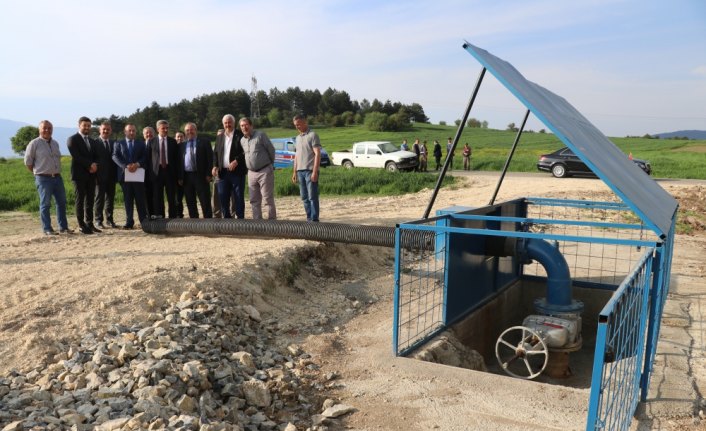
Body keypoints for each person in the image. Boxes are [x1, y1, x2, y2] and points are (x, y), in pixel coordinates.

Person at [24, 120, 72, 235]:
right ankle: (47, 229)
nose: (47, 130)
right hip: (43, 179)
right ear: (39, 129)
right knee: (45, 204)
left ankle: (63, 227)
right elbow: (28, 162)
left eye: (49, 128)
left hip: (57, 177)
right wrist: (38, 173)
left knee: (61, 202)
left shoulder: (55, 143)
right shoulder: (34, 143)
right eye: (44, 128)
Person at [67, 116, 100, 234]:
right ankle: (81, 225)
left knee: (90, 200)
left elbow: (96, 155)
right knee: (80, 200)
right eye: (84, 125)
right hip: (79, 175)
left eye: (88, 125)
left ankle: (90, 224)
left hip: (91, 175)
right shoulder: (72, 139)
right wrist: (90, 165)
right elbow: (77, 156)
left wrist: (95, 164)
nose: (86, 127)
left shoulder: (92, 141)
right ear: (79, 125)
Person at [240, 117, 276, 220]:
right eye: (242, 126)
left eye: (246, 125)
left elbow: (271, 150)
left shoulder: (260, 135)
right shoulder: (242, 140)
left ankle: (272, 222)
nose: (244, 127)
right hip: (251, 173)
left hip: (264, 171)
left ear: (251, 125)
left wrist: (270, 164)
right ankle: (257, 222)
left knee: (267, 198)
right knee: (254, 200)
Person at [112, 123, 148, 229]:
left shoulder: (141, 143)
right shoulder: (118, 143)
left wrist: (137, 164)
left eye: (133, 131)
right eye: (129, 130)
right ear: (125, 132)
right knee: (128, 200)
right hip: (125, 176)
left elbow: (145, 156)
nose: (132, 132)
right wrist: (125, 166)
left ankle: (143, 221)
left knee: (140, 200)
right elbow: (115, 156)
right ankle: (129, 222)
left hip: (138, 175)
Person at [212, 116, 246, 219]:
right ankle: (226, 219)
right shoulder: (220, 137)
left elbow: (245, 152)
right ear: (223, 124)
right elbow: (216, 153)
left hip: (237, 172)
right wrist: (215, 166)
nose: (228, 125)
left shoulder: (241, 135)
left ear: (234, 123)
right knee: (223, 197)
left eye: (229, 122)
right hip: (223, 173)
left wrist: (237, 161)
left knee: (238, 197)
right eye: (225, 123)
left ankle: (240, 219)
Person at [291, 114, 321, 222]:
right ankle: (309, 218)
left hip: (310, 171)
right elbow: (296, 156)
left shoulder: (313, 135)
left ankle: (314, 220)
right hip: (300, 171)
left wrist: (315, 171)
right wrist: (294, 172)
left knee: (312, 197)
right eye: (295, 125)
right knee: (304, 197)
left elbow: (317, 154)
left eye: (299, 124)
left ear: (305, 122)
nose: (297, 126)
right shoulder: (297, 138)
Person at [180, 122, 213, 218]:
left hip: (201, 176)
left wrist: (209, 174)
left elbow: (210, 159)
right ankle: (194, 221)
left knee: (205, 199)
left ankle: (208, 221)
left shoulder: (204, 142)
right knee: (190, 201)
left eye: (191, 129)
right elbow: (179, 162)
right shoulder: (182, 145)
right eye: (187, 130)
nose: (189, 132)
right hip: (187, 177)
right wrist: (180, 177)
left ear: (195, 130)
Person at [148, 120, 179, 218]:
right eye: (163, 128)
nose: (165, 130)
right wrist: (150, 174)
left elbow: (176, 159)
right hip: (157, 173)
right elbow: (148, 159)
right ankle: (160, 218)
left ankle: (173, 218)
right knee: (158, 197)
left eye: (167, 128)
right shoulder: (151, 142)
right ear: (157, 129)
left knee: (171, 197)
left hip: (170, 172)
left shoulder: (173, 142)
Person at [94, 121, 118, 228]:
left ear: (111, 131)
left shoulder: (114, 143)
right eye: (104, 129)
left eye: (108, 129)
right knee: (99, 199)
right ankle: (98, 220)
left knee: (110, 199)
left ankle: (110, 220)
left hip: (111, 176)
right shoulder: (94, 143)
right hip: (99, 177)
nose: (106, 131)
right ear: (100, 130)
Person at [142, 126, 156, 218]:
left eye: (150, 132)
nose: (149, 134)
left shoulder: (158, 144)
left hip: (155, 175)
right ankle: (147, 215)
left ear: (154, 134)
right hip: (142, 175)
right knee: (145, 196)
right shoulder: (140, 145)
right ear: (143, 135)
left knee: (155, 196)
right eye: (146, 133)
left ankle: (156, 214)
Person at [174, 130, 186, 218]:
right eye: (178, 136)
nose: (179, 138)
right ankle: (179, 215)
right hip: (177, 177)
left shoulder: (187, 147)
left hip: (188, 176)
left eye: (181, 136)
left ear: (184, 138)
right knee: (178, 198)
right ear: (175, 138)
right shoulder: (173, 148)